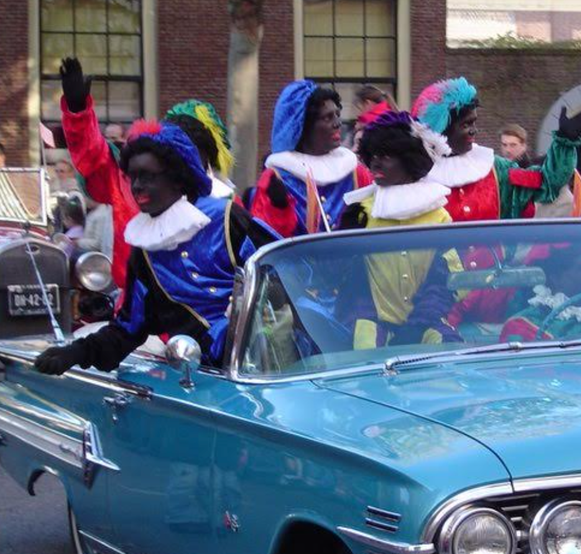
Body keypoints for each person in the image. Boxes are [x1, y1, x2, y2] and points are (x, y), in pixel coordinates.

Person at [34, 120, 276, 376]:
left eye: (148, 176)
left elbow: (277, 270)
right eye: (133, 177)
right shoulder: (145, 252)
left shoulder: (225, 219)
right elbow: (127, 329)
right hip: (203, 378)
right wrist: (77, 352)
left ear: (177, 178)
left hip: (265, 362)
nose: (137, 186)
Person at [59, 58, 237, 289]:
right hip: (135, 308)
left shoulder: (225, 202)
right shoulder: (130, 183)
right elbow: (94, 157)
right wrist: (78, 111)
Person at [337, 111, 458, 349]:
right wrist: (344, 235)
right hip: (371, 320)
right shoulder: (362, 212)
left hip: (425, 319)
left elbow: (446, 279)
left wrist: (420, 322)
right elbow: (340, 277)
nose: (375, 163)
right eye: (373, 155)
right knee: (365, 351)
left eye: (386, 156)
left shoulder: (439, 215)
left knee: (445, 354)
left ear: (408, 160)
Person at [412, 77, 581, 223]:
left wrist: (565, 142)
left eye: (474, 123)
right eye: (466, 124)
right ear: (442, 128)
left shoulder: (494, 168)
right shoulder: (417, 173)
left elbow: (547, 183)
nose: (474, 130)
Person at [250, 80, 372, 237]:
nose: (337, 123)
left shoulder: (355, 171)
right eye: (327, 117)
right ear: (303, 126)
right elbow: (265, 240)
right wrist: (278, 209)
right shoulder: (278, 177)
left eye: (337, 115)